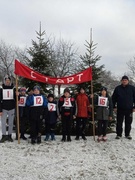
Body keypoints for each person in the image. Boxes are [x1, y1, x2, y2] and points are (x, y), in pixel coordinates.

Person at [112, 75, 135, 140]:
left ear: (128, 81)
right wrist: (114, 106)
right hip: (120, 109)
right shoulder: (117, 88)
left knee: (128, 122)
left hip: (129, 109)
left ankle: (127, 134)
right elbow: (113, 98)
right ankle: (119, 134)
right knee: (119, 122)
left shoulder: (132, 88)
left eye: (125, 80)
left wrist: (134, 107)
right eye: (123, 80)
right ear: (121, 81)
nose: (124, 81)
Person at [0, 76, 19, 143]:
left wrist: (17, 95)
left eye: (8, 80)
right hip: (4, 108)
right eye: (6, 80)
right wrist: (0, 110)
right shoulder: (1, 89)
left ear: (10, 81)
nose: (7, 81)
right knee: (3, 123)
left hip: (11, 108)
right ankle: (4, 135)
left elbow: (17, 100)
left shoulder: (13, 89)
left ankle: (9, 135)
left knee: (11, 123)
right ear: (5, 81)